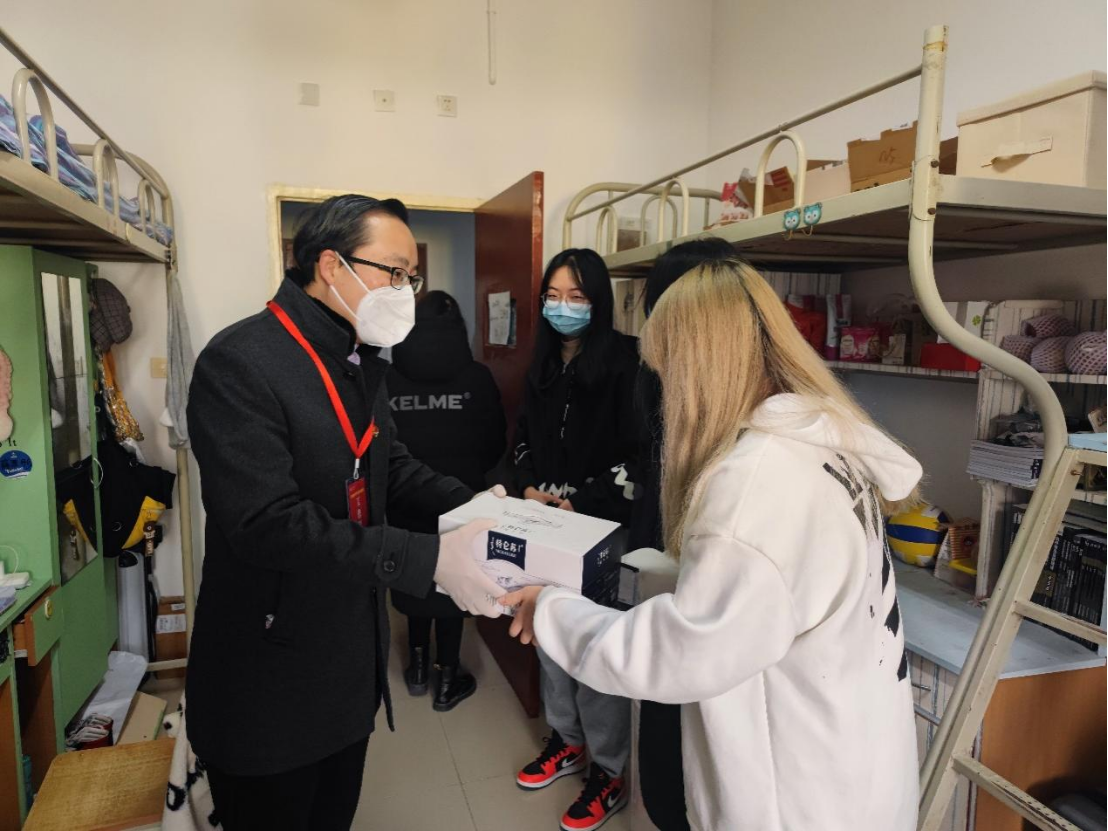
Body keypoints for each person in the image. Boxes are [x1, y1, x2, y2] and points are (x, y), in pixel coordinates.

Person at [504, 255, 923, 831]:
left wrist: (550, 611)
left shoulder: (754, 483)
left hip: (799, 798)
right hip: (859, 762)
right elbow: (771, 588)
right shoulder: (821, 441)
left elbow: (677, 655)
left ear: (696, 367)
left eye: (666, 374)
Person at [185, 195, 507, 831]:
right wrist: (427, 559)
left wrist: (473, 502)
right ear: (332, 266)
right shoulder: (240, 361)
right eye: (394, 273)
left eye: (411, 278)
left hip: (346, 668)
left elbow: (391, 466)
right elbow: (267, 523)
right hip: (270, 681)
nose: (405, 292)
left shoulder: (357, 360)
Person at [511, 248, 642, 831]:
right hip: (547, 526)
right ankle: (566, 742)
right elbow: (520, 437)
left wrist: (582, 500)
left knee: (594, 648)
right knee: (548, 635)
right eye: (554, 296)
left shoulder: (629, 364)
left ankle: (608, 771)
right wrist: (527, 485)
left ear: (598, 301)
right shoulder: (541, 365)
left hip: (602, 529)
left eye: (577, 297)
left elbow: (642, 457)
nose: (563, 307)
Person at [630, 238, 736, 831]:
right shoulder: (654, 387)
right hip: (665, 575)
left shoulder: (748, 451)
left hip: (708, 607)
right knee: (665, 753)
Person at [386, 290, 507, 711]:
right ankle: (447, 676)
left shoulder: (387, 379)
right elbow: (495, 444)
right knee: (454, 587)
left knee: (416, 576)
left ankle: (417, 666)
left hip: (404, 501)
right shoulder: (477, 378)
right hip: (460, 501)